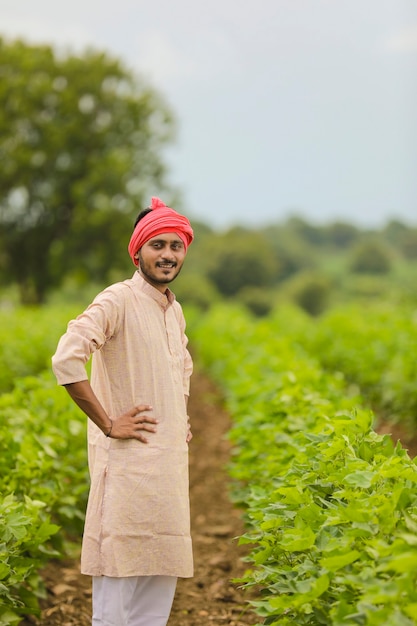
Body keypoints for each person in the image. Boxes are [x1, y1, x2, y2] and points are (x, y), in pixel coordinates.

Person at [52, 196, 194, 626]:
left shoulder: (174, 309)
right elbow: (67, 358)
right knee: (117, 587)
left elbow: (182, 367)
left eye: (176, 245)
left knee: (159, 579)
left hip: (167, 466)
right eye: (157, 245)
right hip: (129, 467)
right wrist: (109, 423)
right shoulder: (118, 299)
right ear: (137, 252)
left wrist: (180, 418)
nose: (168, 254)